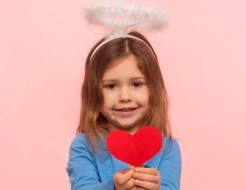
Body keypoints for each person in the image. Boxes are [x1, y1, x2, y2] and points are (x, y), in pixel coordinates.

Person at [66, 30, 181, 190]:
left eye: (136, 84)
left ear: (153, 89)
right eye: (111, 86)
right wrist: (113, 187)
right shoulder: (84, 145)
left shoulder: (168, 147)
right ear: (94, 93)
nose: (124, 96)